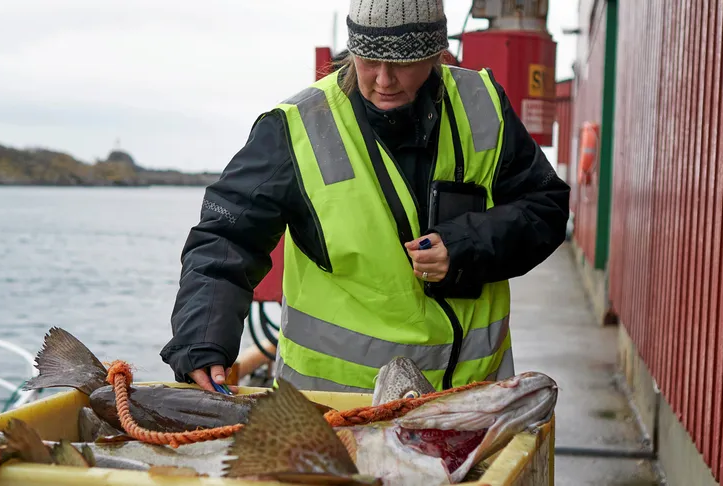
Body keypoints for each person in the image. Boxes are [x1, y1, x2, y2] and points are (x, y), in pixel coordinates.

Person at [160, 0, 571, 394]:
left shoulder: (483, 104)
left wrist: (467, 246)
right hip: (332, 413)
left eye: (403, 62)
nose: (383, 79)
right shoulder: (295, 127)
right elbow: (226, 238)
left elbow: (546, 205)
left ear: (436, 55)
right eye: (369, 59)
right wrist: (201, 339)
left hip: (468, 405)